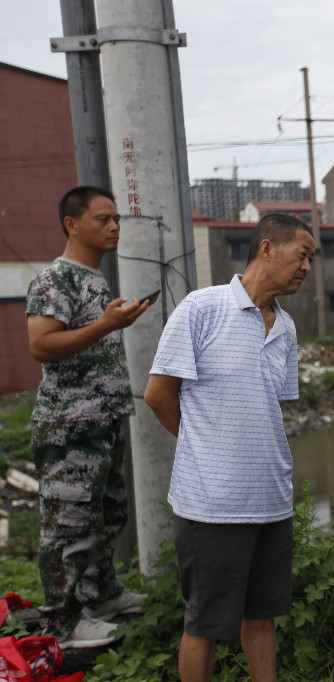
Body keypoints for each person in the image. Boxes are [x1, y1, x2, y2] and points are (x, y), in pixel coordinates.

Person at [143, 214, 315, 682]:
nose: (307, 267)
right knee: (205, 623)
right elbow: (158, 395)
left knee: (262, 616)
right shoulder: (202, 308)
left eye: (312, 259)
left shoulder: (286, 327)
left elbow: (268, 410)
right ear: (266, 248)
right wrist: (205, 448)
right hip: (212, 506)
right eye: (302, 255)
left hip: (271, 501)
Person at [25, 186, 149, 648]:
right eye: (103, 219)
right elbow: (41, 344)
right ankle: (63, 623)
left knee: (106, 513)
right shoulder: (54, 280)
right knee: (68, 525)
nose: (114, 227)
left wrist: (111, 322)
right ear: (71, 224)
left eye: (117, 219)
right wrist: (105, 325)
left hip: (103, 419)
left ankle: (101, 594)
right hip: (69, 425)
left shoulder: (94, 279)